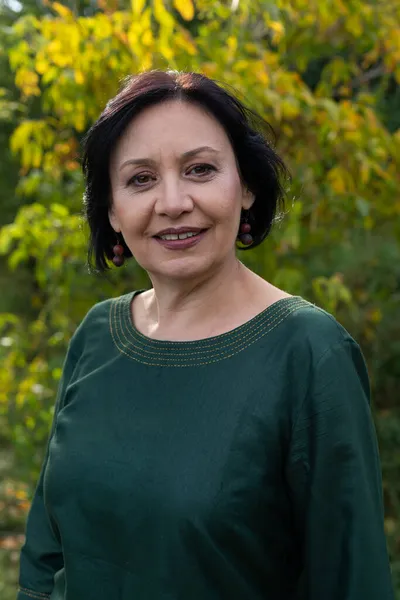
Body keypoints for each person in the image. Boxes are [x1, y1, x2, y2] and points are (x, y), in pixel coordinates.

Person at [17, 70, 394, 600]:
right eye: (140, 179)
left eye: (200, 169)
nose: (172, 202)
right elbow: (45, 556)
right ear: (111, 210)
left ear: (246, 188)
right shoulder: (97, 336)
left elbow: (354, 582)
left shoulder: (310, 354)